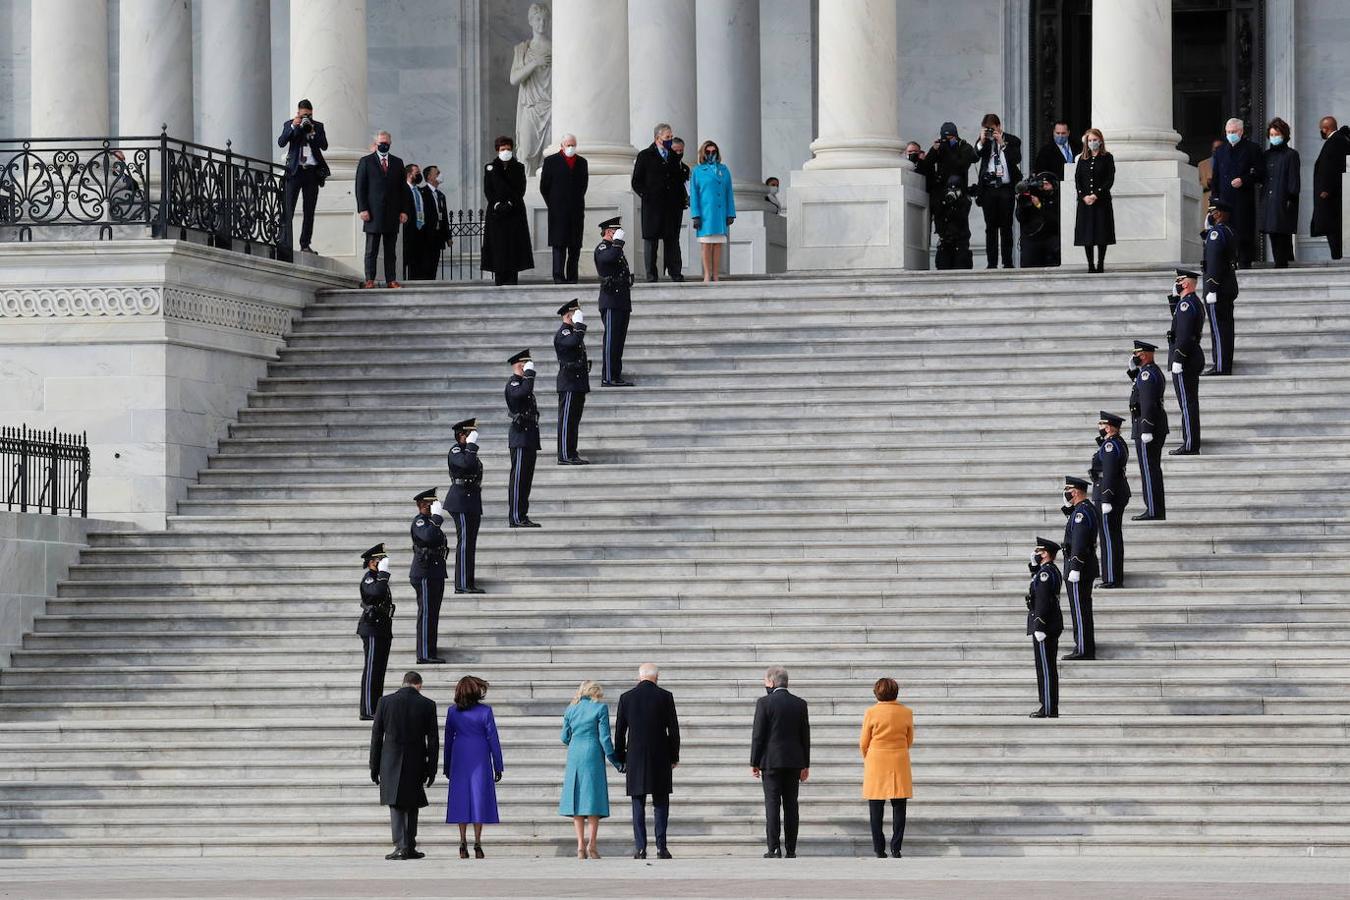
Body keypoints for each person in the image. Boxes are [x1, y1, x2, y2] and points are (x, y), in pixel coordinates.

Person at [613, 663, 680, 860]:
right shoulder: (665, 696)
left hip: (635, 756)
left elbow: (619, 732)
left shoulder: (626, 698)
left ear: (639, 677)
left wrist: (621, 758)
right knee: (661, 803)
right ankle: (661, 847)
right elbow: (673, 730)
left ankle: (640, 848)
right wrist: (674, 756)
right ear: (656, 677)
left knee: (637, 803)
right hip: (660, 756)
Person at [369, 670, 438, 860]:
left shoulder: (385, 702)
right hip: (416, 760)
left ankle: (400, 845)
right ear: (419, 685)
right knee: (412, 804)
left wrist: (373, 766)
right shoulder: (427, 704)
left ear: (403, 683)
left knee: (396, 803)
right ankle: (410, 845)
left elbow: (376, 737)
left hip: (390, 759)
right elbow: (433, 740)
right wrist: (432, 768)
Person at [750, 665, 810, 859]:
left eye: (765, 681)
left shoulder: (764, 703)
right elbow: (805, 736)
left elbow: (758, 736)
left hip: (771, 762)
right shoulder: (800, 704)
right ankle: (791, 848)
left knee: (772, 805)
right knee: (792, 806)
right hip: (794, 762)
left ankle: (773, 847)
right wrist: (805, 764)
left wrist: (754, 761)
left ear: (772, 682)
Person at [444, 675, 503, 859]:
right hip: (480, 754)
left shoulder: (453, 712)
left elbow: (447, 740)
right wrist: (498, 765)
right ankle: (477, 841)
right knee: (479, 797)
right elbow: (493, 739)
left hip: (459, 754)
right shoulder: (485, 711)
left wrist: (446, 765)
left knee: (461, 798)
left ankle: (462, 840)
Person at [560, 680, 620, 860]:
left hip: (575, 754)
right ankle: (592, 844)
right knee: (593, 798)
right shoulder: (600, 708)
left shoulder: (571, 709)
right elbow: (605, 738)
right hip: (593, 752)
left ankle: (579, 845)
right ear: (596, 692)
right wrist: (615, 760)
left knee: (577, 798)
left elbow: (564, 737)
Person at [858, 677, 913, 858]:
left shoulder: (871, 712)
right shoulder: (906, 712)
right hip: (899, 759)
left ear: (877, 693)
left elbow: (863, 741)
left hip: (876, 759)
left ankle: (879, 849)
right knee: (899, 806)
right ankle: (896, 847)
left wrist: (869, 755)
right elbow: (909, 739)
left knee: (876, 806)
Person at [917, 124, 978, 269]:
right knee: (944, 232)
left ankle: (961, 260)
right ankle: (944, 257)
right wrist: (934, 150)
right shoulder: (940, 149)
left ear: (956, 136)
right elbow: (926, 166)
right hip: (941, 197)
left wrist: (949, 150)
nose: (947, 140)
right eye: (945, 138)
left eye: (950, 138)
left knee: (961, 231)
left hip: (959, 196)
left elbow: (961, 165)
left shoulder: (964, 147)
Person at [631, 123, 687, 282]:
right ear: (658, 138)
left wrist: (680, 199)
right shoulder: (645, 155)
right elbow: (636, 181)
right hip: (653, 206)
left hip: (671, 207)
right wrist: (647, 195)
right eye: (667, 137)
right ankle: (651, 274)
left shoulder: (673, 156)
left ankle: (675, 272)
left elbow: (679, 180)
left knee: (672, 240)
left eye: (671, 136)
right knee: (651, 241)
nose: (670, 140)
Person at [355, 131, 410, 289]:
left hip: (392, 213)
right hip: (372, 213)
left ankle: (391, 279)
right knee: (371, 249)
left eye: (386, 142)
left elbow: (403, 189)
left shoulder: (398, 162)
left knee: (390, 250)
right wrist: (362, 208)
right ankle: (370, 279)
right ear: (376, 144)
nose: (383, 145)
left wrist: (404, 211)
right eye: (381, 143)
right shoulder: (366, 161)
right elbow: (360, 187)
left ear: (390, 143)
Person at [277, 99, 329, 253]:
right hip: (295, 171)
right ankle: (284, 241)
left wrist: (312, 132)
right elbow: (281, 142)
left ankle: (305, 244)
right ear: (298, 112)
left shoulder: (317, 126)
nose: (307, 118)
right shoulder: (290, 124)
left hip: (312, 173)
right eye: (305, 115)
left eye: (310, 115)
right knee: (288, 207)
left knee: (309, 210)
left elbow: (324, 146)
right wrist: (295, 126)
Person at [1210, 117, 1262, 268]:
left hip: (1243, 199)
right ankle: (1228, 262)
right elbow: (1216, 176)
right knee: (1225, 232)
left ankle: (1245, 262)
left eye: (1233, 131)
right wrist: (1214, 199)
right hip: (1224, 200)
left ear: (1241, 132)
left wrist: (1244, 180)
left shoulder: (1252, 148)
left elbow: (1260, 173)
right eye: (1228, 132)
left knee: (1244, 231)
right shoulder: (1220, 151)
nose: (1230, 134)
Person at [482, 136, 533, 286]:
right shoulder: (490, 168)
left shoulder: (519, 167)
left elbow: (520, 189)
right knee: (498, 246)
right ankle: (499, 278)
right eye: (503, 149)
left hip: (514, 212)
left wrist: (511, 203)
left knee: (513, 246)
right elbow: (488, 190)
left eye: (508, 149)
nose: (506, 151)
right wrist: (497, 204)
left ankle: (512, 278)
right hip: (496, 213)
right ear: (497, 150)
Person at [1126, 340, 1168, 521]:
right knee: (1150, 469)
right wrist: (1133, 371)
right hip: (1150, 425)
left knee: (1149, 470)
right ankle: (1154, 508)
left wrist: (1146, 427)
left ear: (1142, 355)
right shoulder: (1146, 372)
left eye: (1136, 355)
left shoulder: (1147, 374)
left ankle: (1153, 510)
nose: (1135, 358)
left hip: (1148, 426)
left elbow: (1148, 403)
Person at [974, 113, 1022, 269]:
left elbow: (1016, 159)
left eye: (992, 129)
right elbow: (975, 155)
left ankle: (1008, 262)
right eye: (987, 129)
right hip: (989, 189)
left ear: (999, 127)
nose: (990, 132)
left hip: (1006, 189)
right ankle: (991, 263)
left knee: (1006, 227)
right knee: (990, 228)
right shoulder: (984, 141)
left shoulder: (1012, 140)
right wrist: (981, 141)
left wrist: (1002, 144)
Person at [539, 134, 589, 284]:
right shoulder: (551, 161)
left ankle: (573, 277)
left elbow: (583, 186)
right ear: (562, 146)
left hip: (576, 211)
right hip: (558, 211)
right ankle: (558, 276)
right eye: (568, 145)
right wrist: (553, 204)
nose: (571, 148)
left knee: (575, 246)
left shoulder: (582, 162)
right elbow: (544, 187)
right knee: (559, 245)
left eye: (573, 145)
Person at [509, 2, 552, 176]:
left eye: (545, 20)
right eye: (538, 19)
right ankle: (526, 195)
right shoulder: (522, 50)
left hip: (551, 107)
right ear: (531, 22)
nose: (542, 23)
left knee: (550, 155)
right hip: (530, 107)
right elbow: (514, 79)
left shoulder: (557, 47)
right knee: (525, 154)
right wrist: (535, 63)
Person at [1090, 411, 1131, 589]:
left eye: (1101, 425)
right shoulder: (1112, 443)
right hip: (1115, 494)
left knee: (1109, 537)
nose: (1099, 428)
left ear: (1108, 427)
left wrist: (1106, 497)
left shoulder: (1110, 446)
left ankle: (1112, 578)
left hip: (1109, 496)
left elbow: (1109, 472)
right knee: (1111, 536)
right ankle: (1112, 575)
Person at [1167, 269, 1205, 455]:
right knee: (1188, 402)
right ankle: (1190, 442)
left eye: (1179, 280)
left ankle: (1190, 444)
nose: (1176, 283)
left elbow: (1184, 334)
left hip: (1186, 358)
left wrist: (1179, 357)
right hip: (1190, 357)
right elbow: (1178, 324)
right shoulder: (1187, 303)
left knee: (1187, 403)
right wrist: (1174, 298)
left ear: (1186, 283)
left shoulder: (1187, 305)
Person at [408, 488, 448, 664]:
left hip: (435, 571)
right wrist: (437, 519)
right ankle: (424, 654)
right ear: (422, 505)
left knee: (433, 613)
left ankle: (430, 651)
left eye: (434, 503)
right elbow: (428, 537)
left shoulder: (430, 523)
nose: (432, 506)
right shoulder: (421, 523)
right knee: (426, 614)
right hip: (424, 572)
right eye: (429, 503)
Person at [1060, 476, 1098, 661]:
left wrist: (1075, 566)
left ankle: (1083, 649)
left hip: (1080, 568)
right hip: (1086, 566)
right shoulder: (1085, 508)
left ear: (1074, 492)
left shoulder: (1081, 514)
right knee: (1081, 609)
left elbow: (1079, 542)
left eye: (1067, 490)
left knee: (1080, 610)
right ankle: (1084, 646)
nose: (1065, 493)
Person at [1025, 538, 1064, 719]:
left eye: (1039, 552)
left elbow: (1042, 599)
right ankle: (1048, 706)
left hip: (1045, 625)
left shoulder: (1045, 573)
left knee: (1045, 669)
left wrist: (1039, 623)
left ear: (1046, 553)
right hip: (1050, 623)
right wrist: (1034, 567)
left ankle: (1048, 707)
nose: (1037, 554)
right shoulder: (1049, 570)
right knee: (1046, 667)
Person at [595, 216, 635, 386]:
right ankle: (608, 377)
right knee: (611, 340)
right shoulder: (604, 247)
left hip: (621, 299)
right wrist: (617, 242)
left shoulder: (614, 247)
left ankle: (616, 375)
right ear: (609, 232)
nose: (619, 234)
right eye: (616, 231)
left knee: (619, 340)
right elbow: (608, 259)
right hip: (611, 300)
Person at [689, 140, 736, 283]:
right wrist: (695, 215)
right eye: (708, 152)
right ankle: (707, 274)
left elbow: (729, 193)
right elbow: (694, 194)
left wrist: (730, 213)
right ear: (703, 153)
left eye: (713, 152)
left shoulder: (724, 169)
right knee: (706, 244)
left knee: (717, 244)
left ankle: (716, 274)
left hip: (720, 213)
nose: (711, 154)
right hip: (705, 213)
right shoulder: (697, 171)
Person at [358, 543, 395, 722]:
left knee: (379, 670)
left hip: (381, 627)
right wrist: (383, 574)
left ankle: (375, 707)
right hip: (371, 627)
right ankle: (367, 709)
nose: (382, 563)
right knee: (372, 669)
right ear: (372, 562)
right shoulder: (370, 579)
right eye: (380, 560)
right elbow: (377, 594)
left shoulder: (378, 578)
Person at [1202, 200, 1240, 376]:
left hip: (1218, 287)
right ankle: (1224, 363)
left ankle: (1220, 366)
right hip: (1228, 285)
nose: (1212, 215)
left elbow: (1215, 261)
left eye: (1214, 212)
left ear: (1220, 214)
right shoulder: (1228, 230)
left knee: (1218, 329)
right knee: (1225, 327)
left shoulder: (1217, 233)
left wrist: (1212, 287)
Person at [446, 418, 484, 595]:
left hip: (471, 499)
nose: (472, 437)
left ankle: (468, 581)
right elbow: (466, 464)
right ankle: (461, 584)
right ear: (461, 435)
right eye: (469, 433)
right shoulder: (456, 450)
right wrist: (471, 446)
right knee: (465, 543)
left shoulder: (467, 451)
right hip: (460, 500)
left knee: (471, 543)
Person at [505, 349, 541, 528]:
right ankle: (516, 517)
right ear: (519, 364)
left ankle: (522, 515)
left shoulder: (522, 383)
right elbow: (522, 393)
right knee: (519, 479)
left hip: (528, 437)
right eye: (525, 363)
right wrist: (530, 374)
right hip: (520, 437)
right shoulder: (514, 383)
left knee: (526, 479)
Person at [1260, 117, 1300, 269]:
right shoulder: (1266, 155)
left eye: (1277, 134)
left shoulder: (1291, 154)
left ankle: (1282, 262)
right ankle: (1281, 261)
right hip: (1268, 198)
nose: (1274, 137)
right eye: (1271, 135)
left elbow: (1293, 178)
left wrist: (1291, 196)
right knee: (1272, 231)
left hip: (1283, 198)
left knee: (1282, 231)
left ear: (1284, 135)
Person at [554, 298, 590, 465]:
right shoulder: (564, 333)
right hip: (568, 383)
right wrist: (580, 326)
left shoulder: (573, 332)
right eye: (575, 314)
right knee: (567, 420)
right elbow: (573, 342)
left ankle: (572, 452)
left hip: (577, 382)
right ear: (569, 316)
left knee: (574, 420)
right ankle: (564, 455)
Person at [1074, 128, 1115, 273]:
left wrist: (1096, 194)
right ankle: (1090, 264)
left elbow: (1109, 179)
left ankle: (1100, 263)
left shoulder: (1107, 157)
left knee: (1101, 233)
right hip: (1085, 202)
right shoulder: (1082, 159)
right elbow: (1078, 179)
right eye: (1090, 140)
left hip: (1101, 201)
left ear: (1100, 140)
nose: (1092, 143)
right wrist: (1083, 196)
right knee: (1087, 234)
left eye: (1095, 140)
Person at [1312, 116, 1350, 259]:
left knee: (1333, 228)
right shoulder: (1339, 140)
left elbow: (1333, 167)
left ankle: (1337, 256)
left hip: (1331, 196)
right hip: (1334, 194)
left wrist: (1326, 189)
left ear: (1325, 129)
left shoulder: (1335, 141)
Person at [1015, 172, 1060, 267]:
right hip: (1031, 239)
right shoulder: (1031, 196)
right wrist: (1022, 203)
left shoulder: (1056, 198)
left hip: (1050, 239)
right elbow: (1020, 218)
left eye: (1046, 184)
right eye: (1041, 184)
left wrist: (1039, 205)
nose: (1043, 187)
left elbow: (1055, 220)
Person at [401, 163, 434, 282]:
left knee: (418, 258)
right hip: (408, 229)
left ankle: (416, 278)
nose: (419, 175)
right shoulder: (403, 189)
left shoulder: (419, 191)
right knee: (406, 257)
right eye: (417, 173)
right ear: (409, 174)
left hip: (421, 229)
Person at [424, 165, 451, 278]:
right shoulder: (423, 193)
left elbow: (444, 217)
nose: (440, 175)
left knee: (434, 263)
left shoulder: (441, 196)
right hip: (425, 236)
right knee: (425, 264)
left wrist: (448, 237)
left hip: (437, 236)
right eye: (437, 173)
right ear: (430, 177)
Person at [1198, 137, 1222, 223]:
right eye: (1215, 147)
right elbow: (1196, 184)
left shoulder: (1227, 163)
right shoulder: (1202, 164)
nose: (1216, 150)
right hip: (1207, 199)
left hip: (1222, 199)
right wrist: (1206, 183)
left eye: (1219, 147)